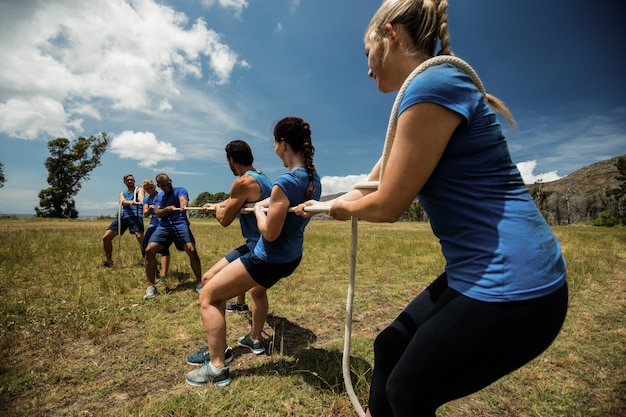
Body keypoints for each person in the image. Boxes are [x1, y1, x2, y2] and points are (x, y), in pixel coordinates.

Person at [296, 1, 568, 415]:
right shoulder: (424, 94)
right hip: (476, 273)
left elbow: (387, 204)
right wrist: (320, 206)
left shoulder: (435, 84)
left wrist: (344, 212)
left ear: (390, 35)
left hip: (518, 284)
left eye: (365, 52)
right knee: (388, 348)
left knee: (408, 390)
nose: (367, 68)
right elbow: (367, 186)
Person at [185, 117, 321, 387]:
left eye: (274, 142)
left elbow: (269, 232)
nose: (273, 148)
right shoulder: (312, 178)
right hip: (291, 257)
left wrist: (258, 210)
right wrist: (260, 203)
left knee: (209, 296)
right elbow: (279, 200)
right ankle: (242, 341)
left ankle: (216, 367)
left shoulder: (286, 180)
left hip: (267, 257)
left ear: (281, 144)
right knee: (251, 290)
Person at [185, 139, 272, 366]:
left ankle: (219, 350)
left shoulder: (242, 182)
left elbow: (225, 220)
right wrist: (216, 203)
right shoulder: (262, 177)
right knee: (258, 292)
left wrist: (216, 210)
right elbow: (235, 200)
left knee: (208, 280)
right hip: (270, 245)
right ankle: (255, 339)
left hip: (255, 246)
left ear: (231, 160)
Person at [143, 173, 202, 299]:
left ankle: (200, 282)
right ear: (159, 186)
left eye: (168, 183)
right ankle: (151, 287)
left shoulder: (180, 190)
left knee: (191, 249)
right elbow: (158, 212)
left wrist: (183, 206)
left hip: (180, 224)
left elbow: (183, 200)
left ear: (170, 180)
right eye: (163, 185)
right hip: (163, 227)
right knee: (149, 250)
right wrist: (166, 210)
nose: (166, 187)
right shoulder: (159, 196)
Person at [101, 173, 144, 267]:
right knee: (106, 237)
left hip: (135, 216)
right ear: (124, 182)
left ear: (134, 180)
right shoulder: (121, 193)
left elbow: (141, 197)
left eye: (131, 179)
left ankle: (149, 261)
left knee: (140, 237)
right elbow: (123, 202)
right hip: (122, 217)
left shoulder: (139, 189)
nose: (130, 181)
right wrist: (130, 202)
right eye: (128, 180)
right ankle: (109, 261)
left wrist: (140, 201)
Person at [141, 178, 171, 285]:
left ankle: (164, 274)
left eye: (151, 187)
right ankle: (153, 269)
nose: (150, 190)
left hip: (163, 224)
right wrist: (150, 209)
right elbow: (145, 213)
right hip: (153, 224)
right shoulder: (146, 199)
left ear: (155, 186)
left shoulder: (162, 194)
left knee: (164, 248)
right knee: (145, 248)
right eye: (147, 189)